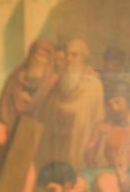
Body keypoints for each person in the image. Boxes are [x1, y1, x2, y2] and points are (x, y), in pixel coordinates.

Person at [34, 39, 106, 171]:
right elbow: (46, 109)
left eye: (74, 55)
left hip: (81, 140)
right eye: (67, 54)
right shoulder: (57, 81)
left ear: (83, 58)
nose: (69, 58)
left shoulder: (94, 84)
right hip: (57, 140)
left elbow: (98, 119)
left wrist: (93, 142)